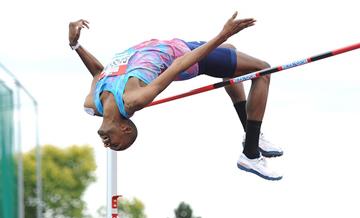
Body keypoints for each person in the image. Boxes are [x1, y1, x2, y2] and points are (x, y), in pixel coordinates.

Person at [68, 12, 283, 181]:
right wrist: (221, 34)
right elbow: (179, 65)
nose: (107, 144)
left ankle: (251, 135)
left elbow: (99, 72)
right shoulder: (136, 99)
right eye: (115, 144)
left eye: (115, 146)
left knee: (229, 50)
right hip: (186, 59)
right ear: (124, 128)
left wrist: (75, 45)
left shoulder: (92, 103)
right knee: (262, 71)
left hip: (173, 46)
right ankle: (251, 153)